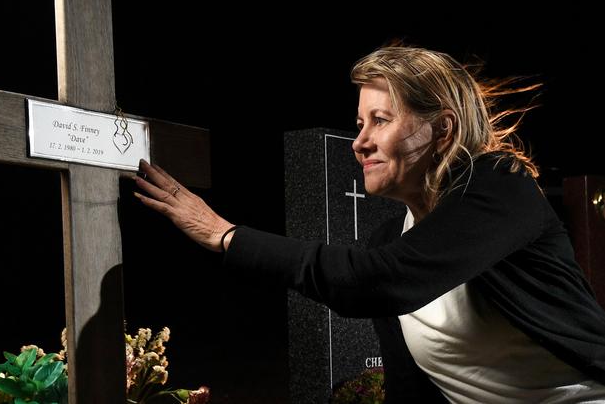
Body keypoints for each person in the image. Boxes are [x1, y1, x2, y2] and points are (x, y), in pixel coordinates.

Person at [133, 44, 605, 403]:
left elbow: (380, 280)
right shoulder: (387, 241)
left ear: (443, 130)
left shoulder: (502, 186)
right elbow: (409, 385)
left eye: (380, 120)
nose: (359, 143)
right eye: (359, 123)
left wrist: (225, 235)